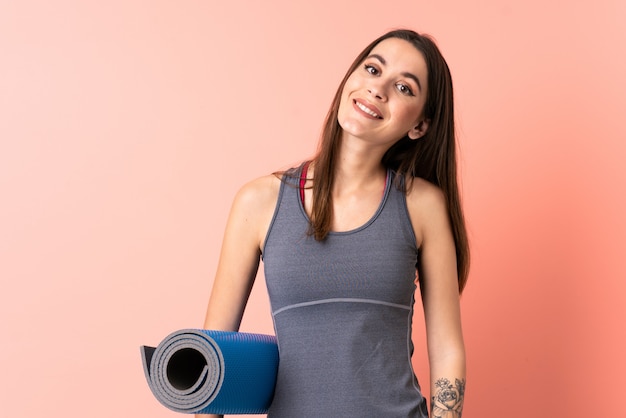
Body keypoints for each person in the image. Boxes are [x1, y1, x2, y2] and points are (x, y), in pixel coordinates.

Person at [199, 29, 469, 418]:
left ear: (420, 126)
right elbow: (214, 350)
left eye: (404, 88)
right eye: (373, 69)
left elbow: (447, 348)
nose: (378, 89)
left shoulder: (422, 205)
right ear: (349, 80)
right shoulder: (258, 201)